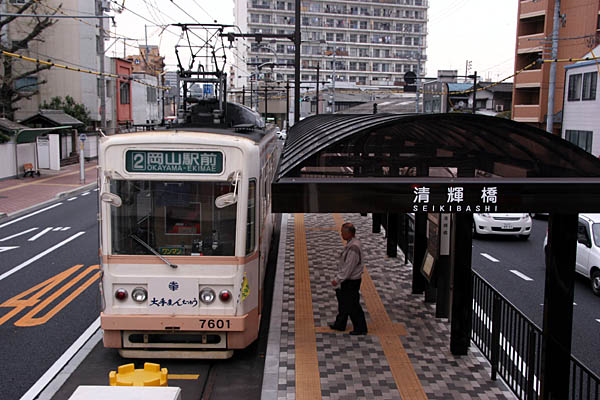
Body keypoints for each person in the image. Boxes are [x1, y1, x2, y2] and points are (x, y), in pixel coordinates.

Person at [329, 222, 368, 335]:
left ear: (349, 233)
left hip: (351, 281)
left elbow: (348, 267)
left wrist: (338, 278)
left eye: (343, 232)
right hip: (349, 280)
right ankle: (340, 324)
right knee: (344, 302)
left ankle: (360, 328)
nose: (341, 234)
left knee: (352, 305)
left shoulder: (353, 248)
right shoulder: (353, 243)